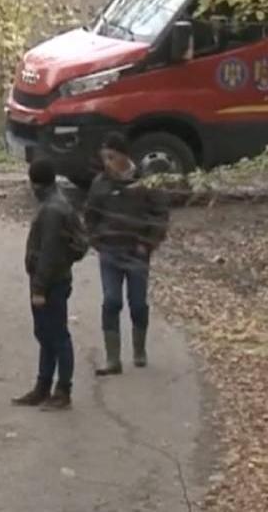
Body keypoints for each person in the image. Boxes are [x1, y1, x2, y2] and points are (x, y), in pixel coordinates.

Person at [83, 132, 170, 376]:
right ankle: (113, 358)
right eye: (105, 158)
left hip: (137, 252)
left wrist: (147, 243)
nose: (107, 162)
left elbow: (160, 215)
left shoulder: (145, 182)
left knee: (138, 303)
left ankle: (139, 349)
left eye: (111, 157)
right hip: (110, 252)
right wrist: (97, 240)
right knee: (111, 301)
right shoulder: (100, 183)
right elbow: (90, 215)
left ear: (123, 156)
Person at [13, 159, 86, 411]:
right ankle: (43, 386)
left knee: (57, 335)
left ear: (35, 183)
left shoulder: (52, 210)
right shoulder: (57, 203)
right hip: (55, 278)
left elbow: (49, 253)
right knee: (46, 335)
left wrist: (39, 289)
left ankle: (62, 390)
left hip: (51, 282)